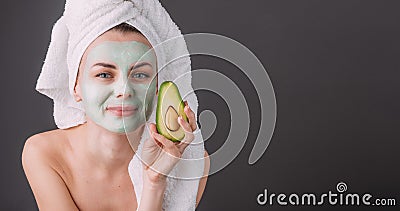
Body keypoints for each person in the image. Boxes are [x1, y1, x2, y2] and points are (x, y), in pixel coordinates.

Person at [22, 18, 209, 211]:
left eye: (140, 75)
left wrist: (154, 182)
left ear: (156, 88)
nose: (124, 90)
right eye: (104, 74)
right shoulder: (45, 153)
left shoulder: (192, 165)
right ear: (75, 86)